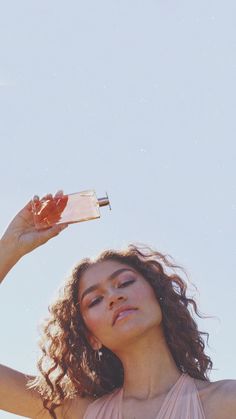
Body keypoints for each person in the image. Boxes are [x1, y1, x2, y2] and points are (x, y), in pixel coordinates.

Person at [0, 193, 236, 419]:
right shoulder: (79, 413)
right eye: (95, 300)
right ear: (91, 336)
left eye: (125, 282)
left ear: (159, 296)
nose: (113, 297)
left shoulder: (225, 402)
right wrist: (11, 246)